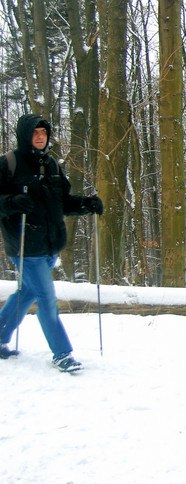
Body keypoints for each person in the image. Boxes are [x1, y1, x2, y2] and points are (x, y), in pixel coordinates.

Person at [0, 114, 103, 371]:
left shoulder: (53, 166)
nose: (40, 137)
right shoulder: (8, 163)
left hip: (49, 244)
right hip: (24, 244)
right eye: (35, 133)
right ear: (25, 135)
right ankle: (62, 353)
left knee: (27, 292)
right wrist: (11, 203)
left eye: (44, 133)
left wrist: (85, 204)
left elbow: (63, 202)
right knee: (47, 298)